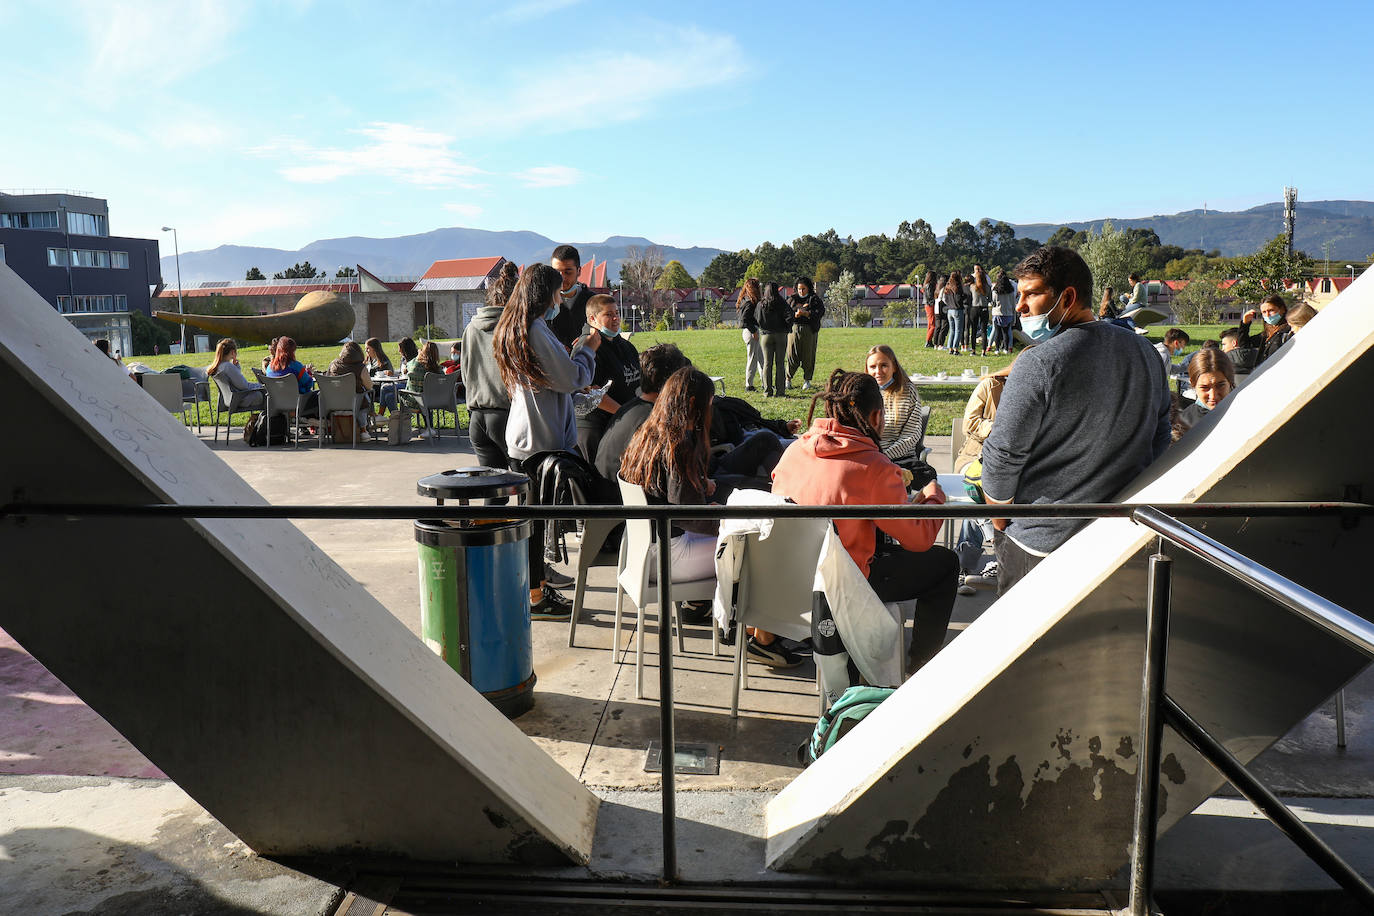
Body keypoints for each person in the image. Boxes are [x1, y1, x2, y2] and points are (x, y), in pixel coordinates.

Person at [980, 246, 1171, 595]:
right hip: (1119, 542)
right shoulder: (1146, 353)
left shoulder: (1037, 363)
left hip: (1039, 547)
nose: (1020, 306)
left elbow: (1000, 460)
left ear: (1067, 297)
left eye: (1031, 294)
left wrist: (1003, 526)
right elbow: (1159, 440)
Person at [772, 369, 960, 677]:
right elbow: (918, 540)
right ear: (875, 417)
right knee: (945, 564)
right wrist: (933, 497)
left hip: (790, 579)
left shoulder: (792, 452)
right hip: (846, 585)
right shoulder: (873, 467)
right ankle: (922, 667)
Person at [495, 263, 600, 620]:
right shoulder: (536, 329)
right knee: (535, 523)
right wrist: (587, 348)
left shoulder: (515, 327)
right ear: (544, 295)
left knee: (532, 522)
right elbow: (571, 378)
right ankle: (535, 595)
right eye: (557, 292)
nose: (560, 298)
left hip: (525, 435)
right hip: (540, 438)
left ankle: (535, 587)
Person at [619, 367, 722, 585]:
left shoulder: (647, 433)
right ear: (693, 403)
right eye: (709, 404)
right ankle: (709, 608)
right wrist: (722, 521)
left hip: (641, 550)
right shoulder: (678, 445)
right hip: (668, 556)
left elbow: (665, 492)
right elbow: (685, 515)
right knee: (745, 544)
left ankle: (700, 604)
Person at [595, 344, 691, 486]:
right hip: (628, 500)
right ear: (672, 382)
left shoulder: (629, 409)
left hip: (610, 493)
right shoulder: (654, 421)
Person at [462, 260, 518, 469]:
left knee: (494, 493)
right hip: (507, 414)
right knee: (524, 486)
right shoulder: (513, 328)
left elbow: (466, 374)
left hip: (477, 417)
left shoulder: (471, 328)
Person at [578, 294, 641, 464]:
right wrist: (628, 415)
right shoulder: (587, 346)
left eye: (617, 313)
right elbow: (593, 392)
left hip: (623, 423)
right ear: (592, 318)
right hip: (596, 427)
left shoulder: (625, 346)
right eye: (608, 314)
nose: (615, 319)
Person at [864, 345, 925, 464]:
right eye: (872, 367)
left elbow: (911, 436)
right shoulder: (862, 394)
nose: (878, 371)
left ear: (894, 367)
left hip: (901, 460)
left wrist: (883, 457)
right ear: (867, 370)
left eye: (884, 366)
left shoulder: (907, 392)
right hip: (868, 459)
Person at [1173, 348, 1236, 439]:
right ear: (1193, 384)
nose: (1213, 395)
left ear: (1230, 382)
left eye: (1220, 386)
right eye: (1204, 387)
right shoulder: (1183, 426)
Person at [548, 244, 594, 348]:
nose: (562, 278)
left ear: (579, 271)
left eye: (568, 272)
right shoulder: (544, 303)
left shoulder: (592, 301)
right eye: (556, 272)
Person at [786, 276, 826, 390]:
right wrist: (795, 315)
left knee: (808, 356)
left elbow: (820, 312)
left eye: (803, 288)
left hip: (809, 330)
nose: (801, 291)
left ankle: (807, 380)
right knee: (792, 355)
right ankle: (788, 379)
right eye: (799, 289)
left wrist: (807, 314)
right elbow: (786, 314)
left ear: (808, 288)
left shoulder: (814, 299)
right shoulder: (792, 299)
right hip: (794, 330)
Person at [265, 336, 319, 418]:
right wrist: (309, 373)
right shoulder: (296, 366)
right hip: (298, 405)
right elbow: (308, 384)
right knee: (319, 396)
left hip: (277, 404)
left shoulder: (269, 368)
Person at [327, 340, 375, 432]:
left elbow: (327, 379)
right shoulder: (361, 368)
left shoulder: (334, 364)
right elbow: (369, 387)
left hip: (334, 402)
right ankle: (363, 429)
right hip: (355, 403)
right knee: (364, 396)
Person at [206, 338, 265, 410]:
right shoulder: (228, 366)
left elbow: (236, 381)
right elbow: (244, 386)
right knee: (263, 394)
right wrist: (262, 386)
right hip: (238, 400)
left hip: (228, 400)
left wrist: (236, 367)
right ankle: (268, 420)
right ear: (232, 352)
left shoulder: (218, 366)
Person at [1238, 293, 1293, 368]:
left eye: (1271, 310)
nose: (1267, 315)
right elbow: (1244, 345)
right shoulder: (1267, 333)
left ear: (1282, 309)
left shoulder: (1289, 331)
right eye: (1264, 312)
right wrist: (1245, 324)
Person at [756, 281, 791, 397]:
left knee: (767, 363)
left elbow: (757, 318)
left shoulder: (761, 304)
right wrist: (787, 327)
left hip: (766, 336)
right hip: (781, 335)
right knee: (780, 363)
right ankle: (780, 391)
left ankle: (767, 391)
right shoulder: (782, 302)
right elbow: (790, 316)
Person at [402, 341, 443, 438]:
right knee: (424, 397)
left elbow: (408, 365)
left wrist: (418, 355)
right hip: (437, 400)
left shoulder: (415, 364)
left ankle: (402, 428)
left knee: (396, 393)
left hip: (416, 401)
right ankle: (430, 428)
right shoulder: (437, 369)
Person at [738, 278, 763, 390]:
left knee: (760, 358)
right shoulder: (750, 302)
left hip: (749, 331)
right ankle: (749, 385)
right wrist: (754, 331)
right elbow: (745, 320)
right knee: (753, 359)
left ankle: (765, 382)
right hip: (751, 331)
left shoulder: (744, 299)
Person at [364, 337, 397, 413]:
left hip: (380, 387)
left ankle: (376, 416)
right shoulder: (368, 360)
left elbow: (390, 374)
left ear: (374, 349)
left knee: (367, 392)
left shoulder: (383, 360)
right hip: (370, 386)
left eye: (368, 348)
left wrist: (388, 372)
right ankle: (371, 417)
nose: (366, 351)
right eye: (365, 348)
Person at [967, 265, 992, 357]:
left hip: (974, 308)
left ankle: (973, 351)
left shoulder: (972, 287)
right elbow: (990, 299)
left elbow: (969, 298)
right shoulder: (987, 287)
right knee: (984, 330)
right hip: (984, 308)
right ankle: (983, 352)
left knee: (973, 330)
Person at [991, 269, 1017, 354]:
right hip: (1008, 313)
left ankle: (997, 349)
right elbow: (1013, 303)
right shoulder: (1011, 291)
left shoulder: (995, 290)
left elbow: (993, 302)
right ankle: (1006, 349)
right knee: (1006, 332)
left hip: (997, 313)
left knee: (997, 332)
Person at [942, 270, 967, 356]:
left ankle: (950, 348)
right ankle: (956, 349)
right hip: (957, 310)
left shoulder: (947, 287)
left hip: (949, 310)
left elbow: (944, 299)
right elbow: (959, 298)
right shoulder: (958, 287)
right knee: (958, 330)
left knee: (952, 330)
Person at [922, 271, 939, 348]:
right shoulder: (930, 285)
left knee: (930, 324)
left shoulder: (926, 285)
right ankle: (928, 341)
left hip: (927, 304)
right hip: (930, 305)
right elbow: (930, 297)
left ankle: (929, 341)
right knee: (933, 325)